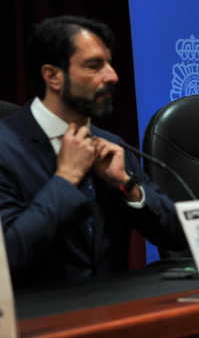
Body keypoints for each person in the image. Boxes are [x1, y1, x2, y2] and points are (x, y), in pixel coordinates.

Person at [0, 16, 186, 285]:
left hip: (116, 311)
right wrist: (65, 179)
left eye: (109, 63)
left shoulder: (112, 144)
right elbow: (8, 256)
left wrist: (126, 185)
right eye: (94, 66)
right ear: (53, 76)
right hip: (37, 320)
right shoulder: (6, 148)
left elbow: (176, 237)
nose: (112, 76)